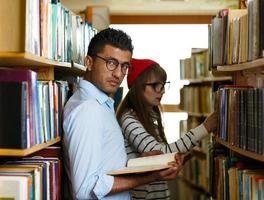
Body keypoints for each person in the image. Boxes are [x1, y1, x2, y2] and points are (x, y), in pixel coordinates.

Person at [62, 28, 185, 200]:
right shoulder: (88, 110)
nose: (118, 74)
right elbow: (86, 189)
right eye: (111, 62)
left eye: (124, 66)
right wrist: (152, 176)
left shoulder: (100, 104)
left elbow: (104, 165)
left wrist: (141, 162)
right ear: (89, 62)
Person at [116, 58, 218, 200]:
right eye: (155, 86)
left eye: (163, 85)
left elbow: (159, 159)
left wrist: (177, 159)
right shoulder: (129, 120)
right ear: (139, 87)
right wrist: (204, 129)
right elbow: (159, 154)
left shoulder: (149, 118)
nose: (162, 91)